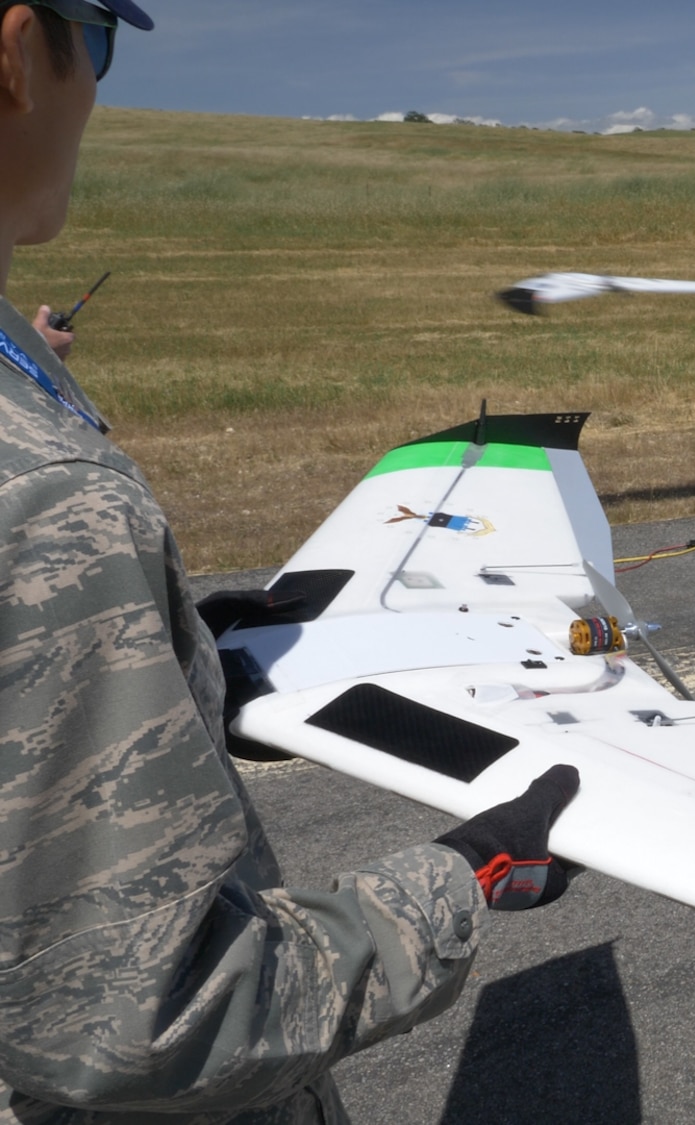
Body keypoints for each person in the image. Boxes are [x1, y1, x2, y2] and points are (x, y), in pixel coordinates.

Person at [1, 4, 580, 1121]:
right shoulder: (46, 498)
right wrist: (464, 873)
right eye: (104, 39)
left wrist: (172, 665)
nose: (101, 89)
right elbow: (147, 1020)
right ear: (20, 52)